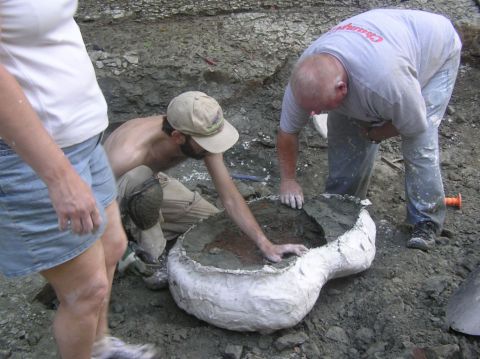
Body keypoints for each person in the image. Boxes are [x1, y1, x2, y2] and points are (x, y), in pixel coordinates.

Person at [0, 1, 157, 358]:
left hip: (82, 139)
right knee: (85, 291)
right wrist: (58, 177)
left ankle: (99, 347)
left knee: (113, 247)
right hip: (32, 154)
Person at [277, 9, 462, 251]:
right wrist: (288, 180)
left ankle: (426, 220)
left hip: (436, 50)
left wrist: (375, 133)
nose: (314, 114)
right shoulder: (305, 81)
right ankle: (340, 209)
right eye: (310, 109)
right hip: (385, 42)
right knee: (346, 140)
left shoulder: (386, 83)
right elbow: (287, 132)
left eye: (320, 108)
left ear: (341, 88)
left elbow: (416, 124)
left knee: (419, 145)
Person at [104, 91, 308, 285]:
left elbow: (229, 197)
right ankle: (151, 261)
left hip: (151, 181)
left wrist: (265, 243)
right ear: (177, 137)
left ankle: (143, 223)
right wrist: (118, 249)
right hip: (109, 195)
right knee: (144, 190)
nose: (212, 148)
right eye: (206, 144)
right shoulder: (126, 155)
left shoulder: (197, 128)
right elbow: (89, 207)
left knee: (214, 226)